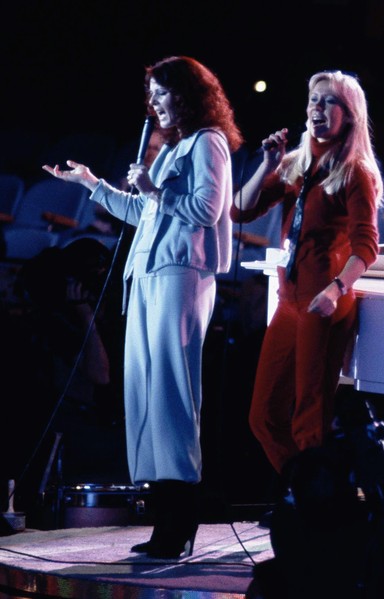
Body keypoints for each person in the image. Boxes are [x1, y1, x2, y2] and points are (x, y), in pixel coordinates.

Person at [42, 55, 242, 559]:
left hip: (181, 275)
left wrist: (154, 188)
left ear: (187, 94)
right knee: (145, 395)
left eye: (161, 92)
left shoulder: (208, 143)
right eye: (150, 93)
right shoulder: (175, 148)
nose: (152, 102)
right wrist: (92, 185)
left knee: (172, 394)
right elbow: (144, 213)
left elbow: (205, 209)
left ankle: (182, 518)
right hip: (149, 275)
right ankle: (163, 518)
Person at [232, 71, 381, 482]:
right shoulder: (295, 165)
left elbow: (366, 245)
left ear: (349, 116)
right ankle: (307, 492)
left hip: (323, 302)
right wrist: (266, 165)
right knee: (263, 415)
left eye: (329, 102)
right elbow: (239, 211)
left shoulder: (354, 172)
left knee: (309, 419)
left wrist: (336, 289)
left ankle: (316, 508)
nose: (318, 108)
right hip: (289, 301)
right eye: (314, 100)